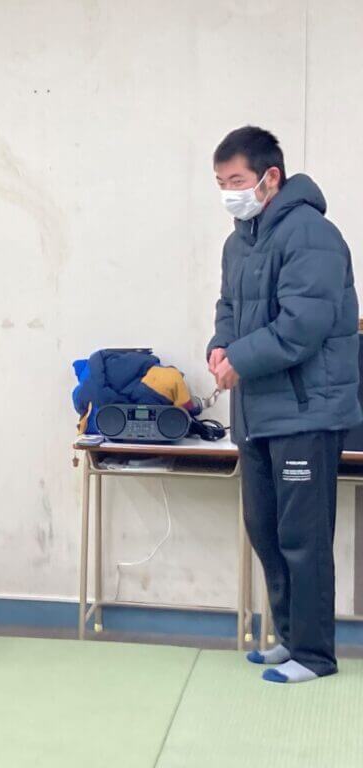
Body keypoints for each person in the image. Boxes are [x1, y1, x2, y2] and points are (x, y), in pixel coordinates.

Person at [208, 126, 362, 684]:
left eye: (237, 181)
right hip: (257, 414)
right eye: (221, 183)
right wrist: (219, 346)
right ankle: (291, 639)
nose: (229, 193)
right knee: (266, 530)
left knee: (303, 537)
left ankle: (316, 655)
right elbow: (228, 307)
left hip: (306, 413)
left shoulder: (312, 234)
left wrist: (240, 360)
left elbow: (303, 325)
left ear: (270, 177)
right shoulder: (238, 242)